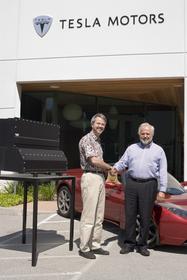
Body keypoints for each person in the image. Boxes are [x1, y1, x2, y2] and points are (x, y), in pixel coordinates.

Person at [111, 122, 167, 257]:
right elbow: (123, 162)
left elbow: (163, 171)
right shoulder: (131, 148)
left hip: (149, 185)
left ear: (152, 135)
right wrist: (115, 168)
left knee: (145, 216)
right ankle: (129, 243)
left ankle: (142, 245)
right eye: (143, 133)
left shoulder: (159, 150)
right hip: (131, 184)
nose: (145, 135)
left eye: (148, 133)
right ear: (139, 134)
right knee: (129, 215)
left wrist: (162, 190)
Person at [78, 113, 112, 259]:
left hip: (99, 178)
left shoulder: (97, 141)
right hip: (91, 176)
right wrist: (110, 168)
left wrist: (105, 172)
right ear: (92, 124)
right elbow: (94, 161)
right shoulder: (87, 140)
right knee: (89, 215)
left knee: (99, 215)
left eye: (103, 124)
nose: (100, 126)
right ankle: (85, 247)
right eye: (98, 123)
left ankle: (95, 244)